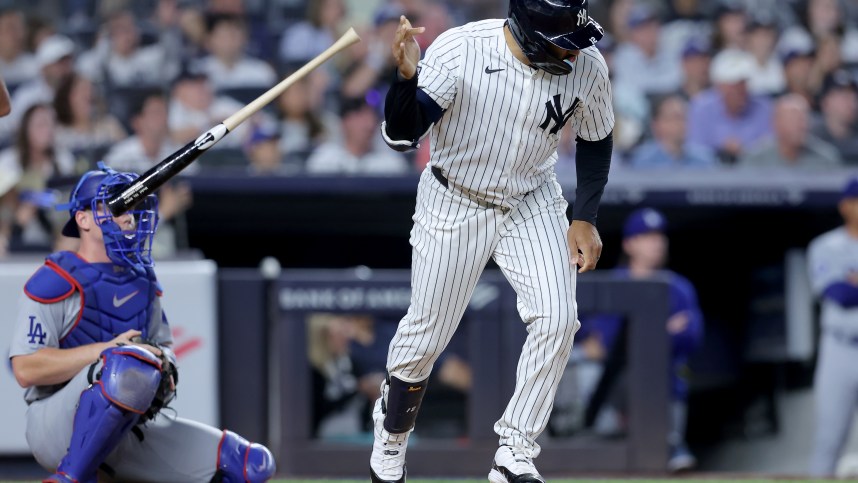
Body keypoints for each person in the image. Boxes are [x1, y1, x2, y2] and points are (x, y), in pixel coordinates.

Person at [373, 0, 614, 481]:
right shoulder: (462, 50)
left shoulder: (586, 63)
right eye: (560, 44)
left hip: (531, 197)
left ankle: (515, 452)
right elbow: (403, 136)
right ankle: (392, 433)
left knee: (559, 318)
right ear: (528, 33)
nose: (572, 54)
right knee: (425, 337)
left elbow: (596, 137)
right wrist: (403, 80)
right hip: (456, 197)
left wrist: (584, 216)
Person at [8, 164, 276, 482]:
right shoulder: (57, 278)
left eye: (132, 209)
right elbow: (26, 369)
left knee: (250, 465)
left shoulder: (142, 282)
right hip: (54, 424)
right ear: (83, 219)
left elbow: (163, 349)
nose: (128, 218)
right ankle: (70, 478)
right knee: (126, 364)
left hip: (127, 428)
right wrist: (105, 351)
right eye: (117, 208)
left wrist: (165, 364)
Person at [575, 208, 704, 472]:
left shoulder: (677, 287)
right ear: (629, 244)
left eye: (659, 236)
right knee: (583, 362)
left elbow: (691, 338)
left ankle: (671, 443)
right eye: (647, 236)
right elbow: (594, 341)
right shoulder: (610, 285)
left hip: (664, 387)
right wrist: (660, 331)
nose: (657, 242)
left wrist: (644, 340)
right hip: (611, 391)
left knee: (658, 467)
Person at [807, 176, 858, 477]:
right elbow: (838, 294)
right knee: (829, 437)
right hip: (838, 348)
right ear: (845, 206)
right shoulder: (826, 245)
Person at [686, 48, 772, 164]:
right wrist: (720, 149)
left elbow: (771, 149)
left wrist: (744, 150)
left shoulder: (764, 108)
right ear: (719, 85)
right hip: (710, 175)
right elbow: (694, 149)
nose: (738, 90)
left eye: (742, 83)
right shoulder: (701, 108)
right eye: (732, 84)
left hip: (755, 173)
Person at [306, 96, 408, 175]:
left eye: (372, 118)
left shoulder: (389, 162)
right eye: (362, 118)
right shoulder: (325, 158)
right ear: (345, 122)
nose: (369, 125)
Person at [739, 94, 841, 169]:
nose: (801, 125)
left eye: (803, 119)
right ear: (776, 123)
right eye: (793, 119)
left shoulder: (826, 159)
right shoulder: (756, 159)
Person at [629, 95, 717, 169]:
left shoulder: (705, 160)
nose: (682, 123)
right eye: (676, 117)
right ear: (657, 125)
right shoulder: (643, 161)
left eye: (684, 117)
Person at [812, 69, 858, 165]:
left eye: (853, 96)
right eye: (844, 95)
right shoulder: (812, 139)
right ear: (825, 103)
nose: (851, 102)